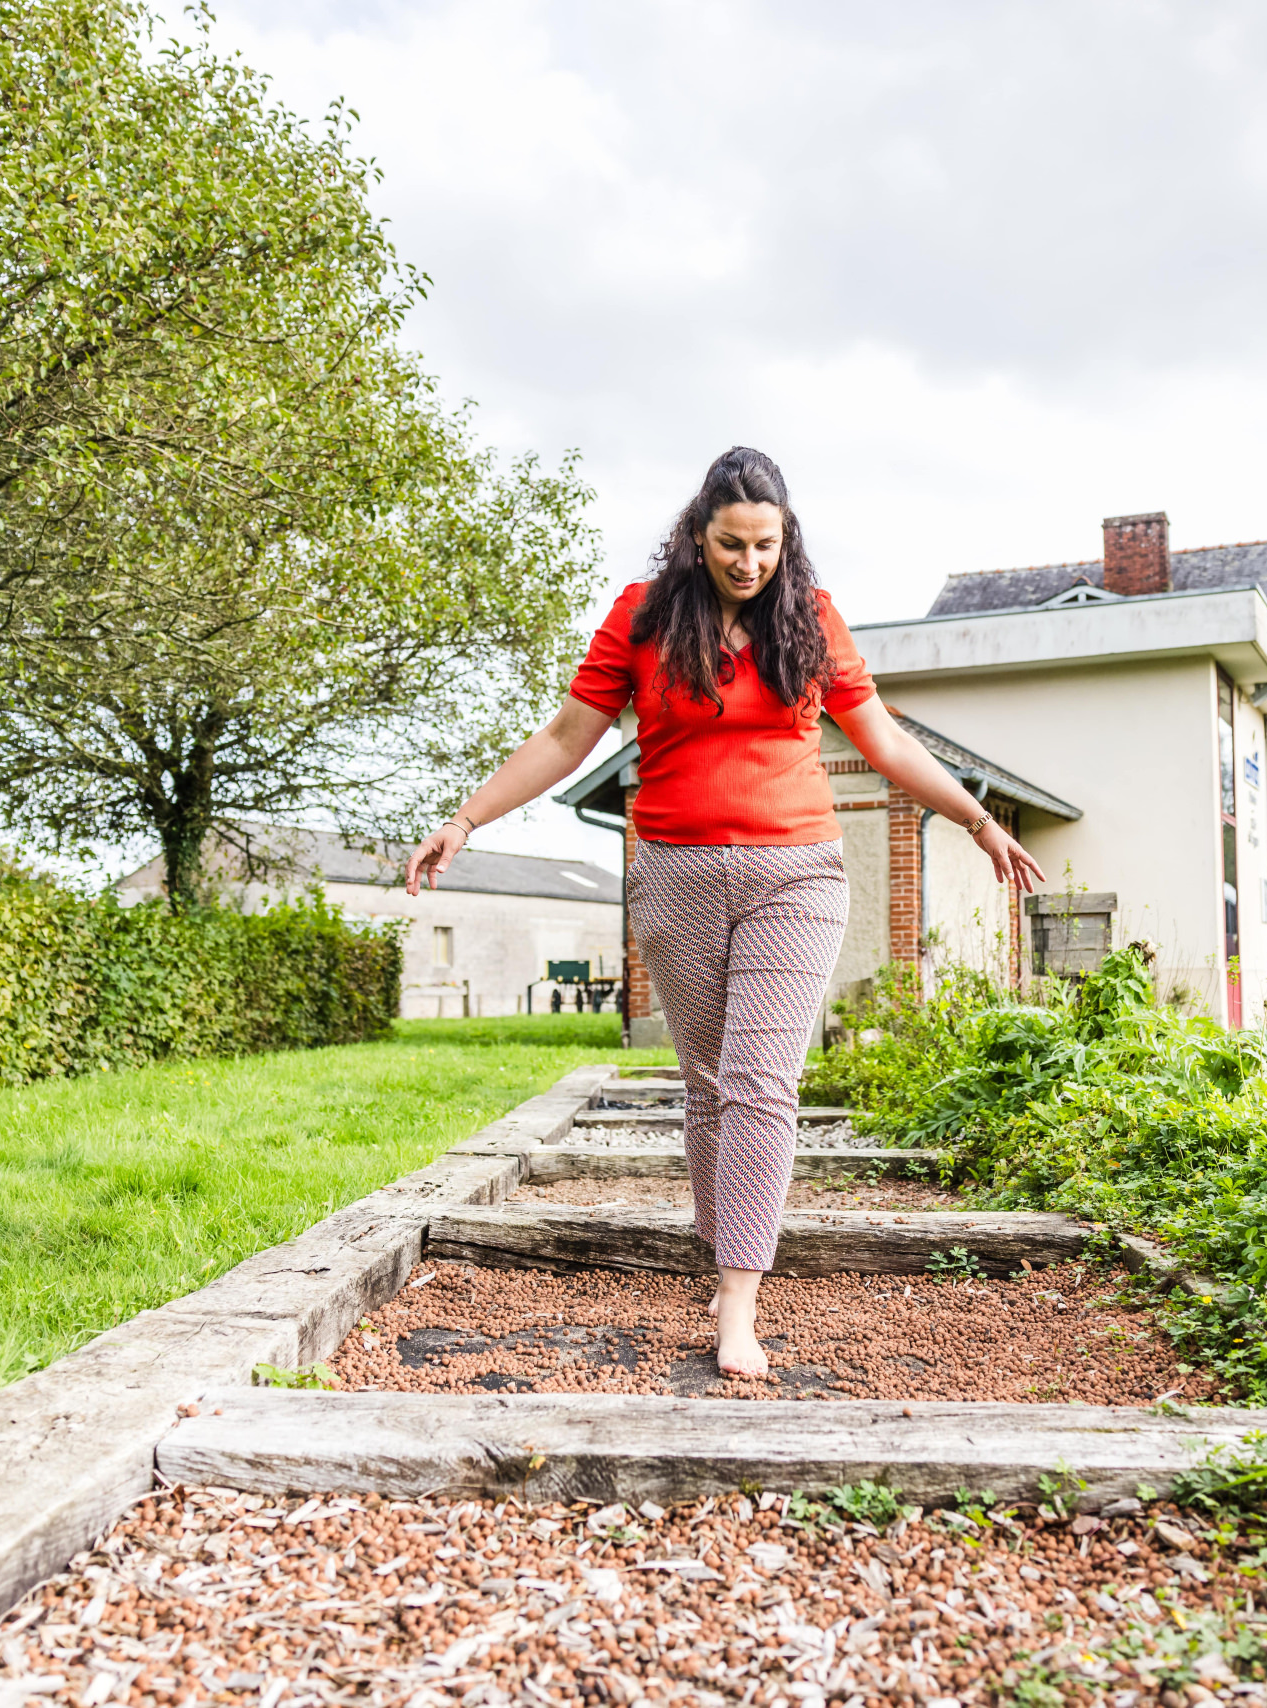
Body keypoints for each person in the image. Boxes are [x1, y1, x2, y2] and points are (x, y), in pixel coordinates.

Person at [404, 447, 1045, 1378]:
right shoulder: (644, 615)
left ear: (789, 540)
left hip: (799, 874)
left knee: (760, 1081)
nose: (750, 564)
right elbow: (564, 737)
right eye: (731, 544)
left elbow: (885, 740)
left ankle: (738, 1300)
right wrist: (466, 821)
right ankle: (724, 1254)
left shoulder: (811, 619)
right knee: (707, 1085)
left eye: (767, 546)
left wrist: (978, 820)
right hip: (677, 873)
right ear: (697, 535)